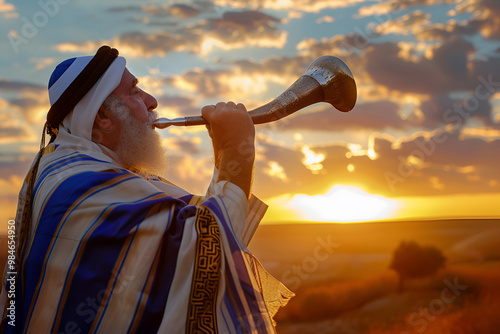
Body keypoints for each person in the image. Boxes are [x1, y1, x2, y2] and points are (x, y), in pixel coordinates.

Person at [0, 46, 293, 333]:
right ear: (103, 116)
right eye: (135, 92)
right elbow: (206, 247)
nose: (152, 101)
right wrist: (235, 149)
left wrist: (224, 156)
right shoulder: (82, 184)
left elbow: (207, 232)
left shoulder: (69, 169)